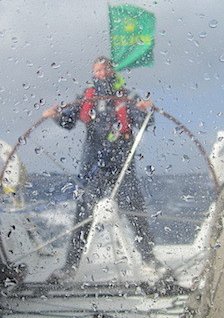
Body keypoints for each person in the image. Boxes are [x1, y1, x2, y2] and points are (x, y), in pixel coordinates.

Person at [43, 56, 168, 282]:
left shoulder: (129, 97)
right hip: (93, 168)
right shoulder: (85, 97)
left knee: (134, 211)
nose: (101, 73)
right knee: (83, 214)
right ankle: (70, 265)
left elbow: (144, 122)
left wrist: (146, 110)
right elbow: (69, 122)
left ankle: (149, 259)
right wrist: (56, 116)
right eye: (97, 70)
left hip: (122, 167)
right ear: (93, 73)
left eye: (105, 69)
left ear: (113, 70)